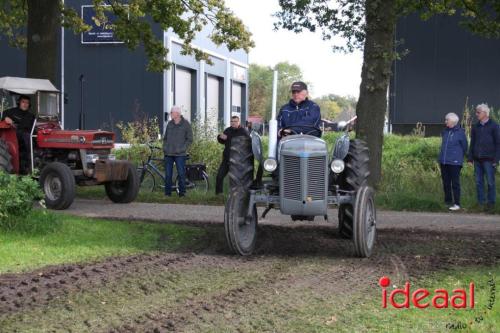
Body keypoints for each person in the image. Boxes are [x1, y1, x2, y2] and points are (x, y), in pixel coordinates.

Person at [467, 103, 500, 211]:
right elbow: (472, 143)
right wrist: (470, 158)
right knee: (478, 182)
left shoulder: (494, 126)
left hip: (489, 160)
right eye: (476, 112)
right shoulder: (475, 127)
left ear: (485, 113)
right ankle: (481, 203)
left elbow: (498, 143)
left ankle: (491, 203)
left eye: (478, 112)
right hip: (477, 159)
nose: (476, 114)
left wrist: (496, 159)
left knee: (490, 182)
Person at [438, 113, 468, 211]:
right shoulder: (445, 132)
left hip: (455, 163)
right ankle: (448, 202)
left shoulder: (460, 132)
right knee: (446, 183)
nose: (445, 121)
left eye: (447, 120)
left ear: (453, 121)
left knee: (455, 183)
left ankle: (457, 204)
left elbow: (465, 147)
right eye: (446, 120)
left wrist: (457, 157)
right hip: (444, 161)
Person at [162, 106, 193, 197]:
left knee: (181, 174)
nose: (170, 114)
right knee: (168, 175)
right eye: (171, 112)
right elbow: (165, 138)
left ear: (177, 114)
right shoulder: (170, 124)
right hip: (168, 153)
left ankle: (182, 194)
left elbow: (190, 139)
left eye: (171, 112)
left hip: (180, 154)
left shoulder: (186, 124)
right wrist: (165, 147)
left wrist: (183, 148)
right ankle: (167, 194)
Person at [1, 95, 35, 174]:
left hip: (27, 135)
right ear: (19, 102)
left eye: (27, 103)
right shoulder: (12, 111)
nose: (25, 104)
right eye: (23, 102)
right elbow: (3, 114)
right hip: (14, 134)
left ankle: (33, 162)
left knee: (31, 137)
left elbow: (34, 127)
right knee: (26, 137)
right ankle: (29, 161)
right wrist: (6, 118)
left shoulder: (31, 116)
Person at [215, 115, 249, 195]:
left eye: (235, 122)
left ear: (238, 122)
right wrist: (220, 137)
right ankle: (219, 193)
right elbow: (222, 141)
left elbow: (245, 143)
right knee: (219, 176)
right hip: (227, 158)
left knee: (236, 179)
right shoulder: (228, 130)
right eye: (232, 122)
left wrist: (228, 138)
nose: (233, 123)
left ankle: (238, 194)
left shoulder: (243, 131)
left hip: (238, 160)